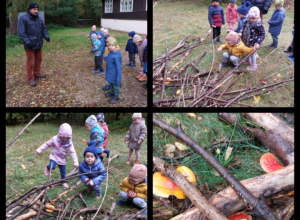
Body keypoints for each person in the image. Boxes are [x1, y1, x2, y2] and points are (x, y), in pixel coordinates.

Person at [36, 123, 79, 189]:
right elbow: (47, 144)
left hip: (62, 159)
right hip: (54, 157)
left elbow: (73, 152)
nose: (65, 139)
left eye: (66, 138)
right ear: (60, 134)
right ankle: (47, 167)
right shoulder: (55, 139)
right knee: (52, 167)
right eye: (63, 137)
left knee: (63, 172)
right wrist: (39, 149)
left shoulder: (69, 143)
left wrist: (75, 162)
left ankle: (63, 182)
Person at [18, 2, 50, 87]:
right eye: (34, 9)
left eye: (37, 9)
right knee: (30, 62)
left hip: (38, 43)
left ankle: (36, 73)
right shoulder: (23, 18)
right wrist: (28, 42)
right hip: (29, 45)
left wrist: (46, 36)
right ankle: (30, 79)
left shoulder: (38, 19)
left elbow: (43, 29)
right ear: (29, 10)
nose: (36, 11)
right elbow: (21, 33)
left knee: (39, 60)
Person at [239, 6, 265, 71]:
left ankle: (253, 65)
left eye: (253, 19)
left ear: (257, 17)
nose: (251, 20)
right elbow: (243, 28)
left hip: (254, 43)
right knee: (247, 50)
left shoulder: (259, 24)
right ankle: (248, 59)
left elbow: (262, 34)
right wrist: (241, 33)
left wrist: (258, 42)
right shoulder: (246, 22)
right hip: (246, 40)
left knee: (252, 53)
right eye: (250, 18)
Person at [103, 37, 122, 104]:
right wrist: (104, 57)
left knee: (115, 86)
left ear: (116, 46)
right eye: (109, 45)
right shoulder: (110, 52)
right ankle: (112, 92)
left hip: (115, 75)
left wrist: (118, 79)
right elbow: (108, 57)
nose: (110, 47)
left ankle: (116, 97)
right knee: (111, 84)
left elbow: (119, 68)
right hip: (110, 73)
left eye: (112, 45)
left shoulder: (116, 56)